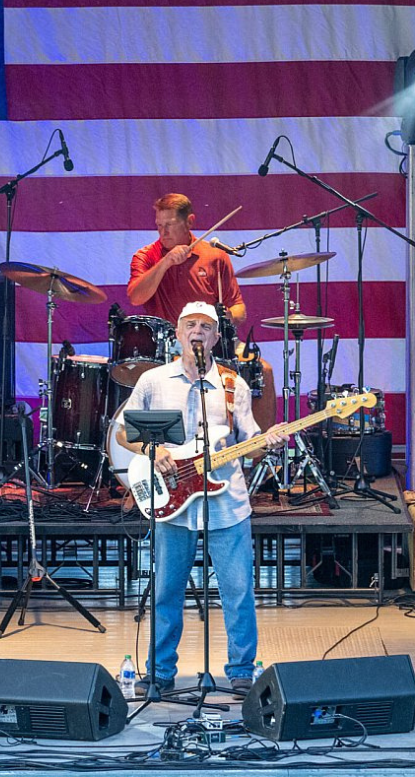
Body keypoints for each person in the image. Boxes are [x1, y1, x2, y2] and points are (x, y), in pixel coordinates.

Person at [116, 301, 287, 696]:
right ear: (178, 333)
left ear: (215, 337)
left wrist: (268, 442)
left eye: (205, 327)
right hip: (173, 502)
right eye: (190, 325)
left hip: (226, 502)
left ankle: (241, 670)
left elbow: (250, 443)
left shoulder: (232, 384)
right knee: (166, 591)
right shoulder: (154, 381)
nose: (197, 332)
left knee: (238, 591)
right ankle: (160, 671)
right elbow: (125, 432)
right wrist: (152, 450)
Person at [127, 193, 276, 431]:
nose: (163, 232)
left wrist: (225, 316)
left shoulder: (215, 257)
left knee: (263, 371)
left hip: (212, 339)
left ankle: (260, 449)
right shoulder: (146, 256)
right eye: (159, 226)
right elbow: (136, 297)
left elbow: (239, 308)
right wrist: (166, 263)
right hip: (169, 343)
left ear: (189, 222)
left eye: (169, 225)